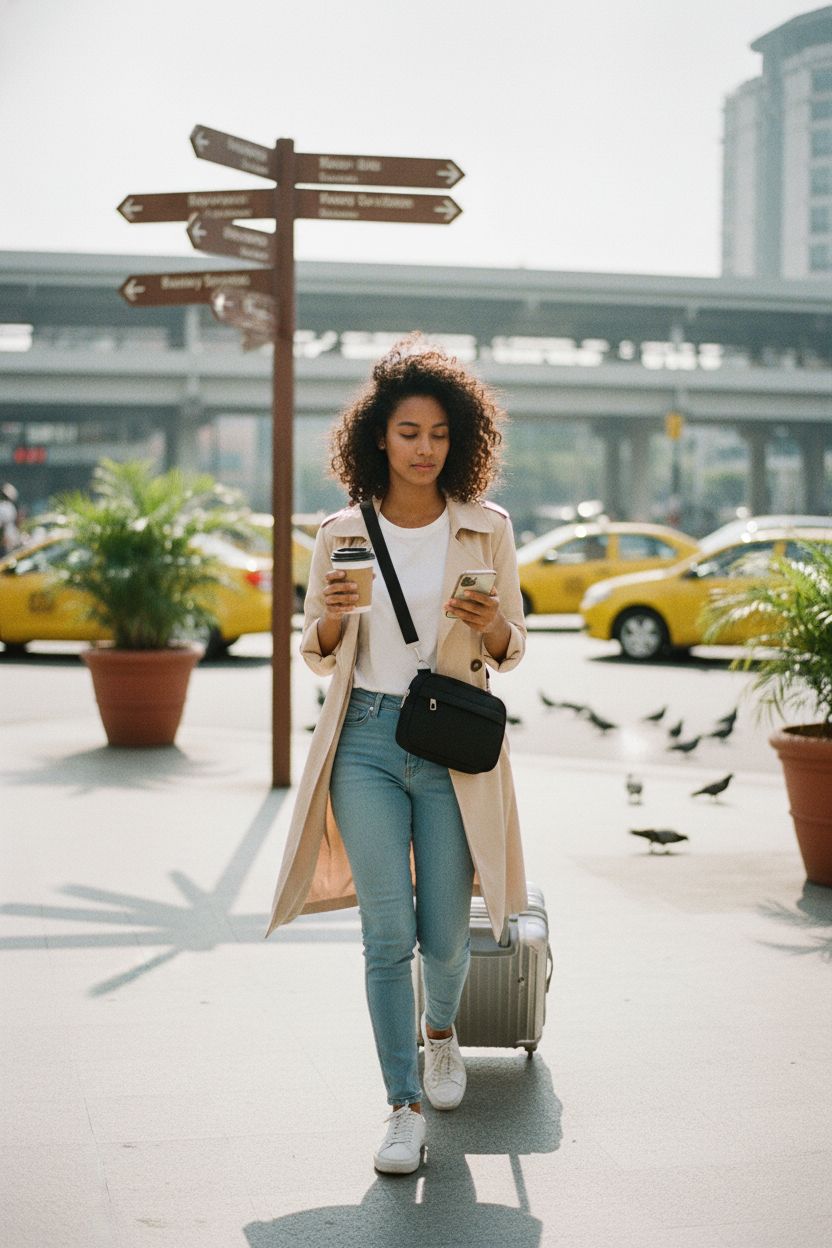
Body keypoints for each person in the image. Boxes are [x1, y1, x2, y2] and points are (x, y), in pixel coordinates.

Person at [266, 339, 527, 1175]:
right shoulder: (342, 530)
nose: (425, 448)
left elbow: (513, 646)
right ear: (378, 435)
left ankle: (441, 1034)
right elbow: (314, 646)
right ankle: (401, 1104)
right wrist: (337, 617)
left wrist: (486, 622)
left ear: (461, 441)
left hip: (451, 742)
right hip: (367, 742)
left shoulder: (487, 527)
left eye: (440, 434)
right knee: (387, 935)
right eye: (409, 431)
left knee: (446, 935)